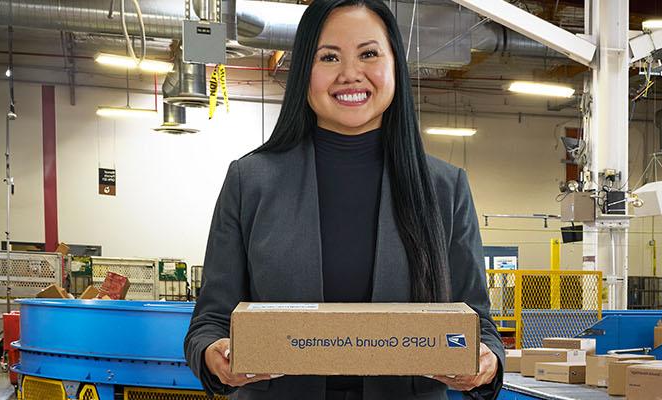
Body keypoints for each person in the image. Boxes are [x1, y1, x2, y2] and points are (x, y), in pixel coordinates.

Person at [181, 0, 503, 398]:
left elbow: (478, 323)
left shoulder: (444, 187)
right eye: (329, 57)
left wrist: (486, 362)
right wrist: (215, 354)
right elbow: (210, 320)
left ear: (394, 67)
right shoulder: (251, 181)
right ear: (304, 73)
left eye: (369, 54)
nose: (350, 74)